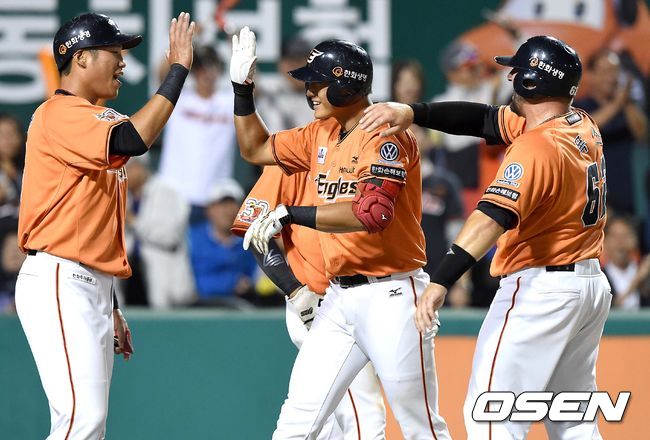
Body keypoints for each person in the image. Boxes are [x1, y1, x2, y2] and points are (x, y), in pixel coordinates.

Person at [360, 35, 612, 439]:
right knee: (573, 422)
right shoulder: (581, 123)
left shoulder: (537, 146)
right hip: (587, 286)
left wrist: (441, 280)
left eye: (517, 71)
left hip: (541, 291)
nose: (510, 77)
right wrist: (413, 112)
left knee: (490, 417)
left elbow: (491, 218)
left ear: (531, 81)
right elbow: (484, 120)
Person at [230, 27, 450, 438]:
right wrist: (242, 92)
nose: (310, 91)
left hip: (392, 294)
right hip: (338, 298)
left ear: (346, 84)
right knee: (297, 419)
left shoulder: (384, 132)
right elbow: (254, 148)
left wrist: (291, 214)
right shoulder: (321, 132)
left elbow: (372, 213)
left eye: (317, 83)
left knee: (420, 426)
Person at [15, 12, 194, 439]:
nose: (122, 62)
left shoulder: (97, 118)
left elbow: (92, 225)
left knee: (89, 425)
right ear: (81, 58)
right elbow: (135, 139)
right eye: (114, 52)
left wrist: (109, 302)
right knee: (82, 419)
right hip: (59, 276)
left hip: (88, 282)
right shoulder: (59, 112)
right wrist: (177, 71)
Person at [232, 166, 386, 439]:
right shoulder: (288, 161)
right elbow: (255, 232)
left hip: (366, 295)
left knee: (325, 416)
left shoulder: (360, 152)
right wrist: (296, 292)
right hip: (315, 302)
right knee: (361, 410)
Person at [158, 45, 237, 223]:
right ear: (193, 72)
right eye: (200, 67)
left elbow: (253, 89)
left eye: (211, 66)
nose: (206, 73)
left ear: (219, 69)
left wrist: (235, 42)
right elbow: (162, 76)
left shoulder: (228, 102)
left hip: (215, 199)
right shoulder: (179, 98)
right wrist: (187, 40)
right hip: (174, 195)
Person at [573, 49, 647, 216]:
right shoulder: (580, 107)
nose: (612, 78)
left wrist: (626, 102)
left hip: (628, 197)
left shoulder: (626, 107)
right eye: (606, 71)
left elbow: (642, 134)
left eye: (615, 71)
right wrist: (617, 104)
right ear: (591, 76)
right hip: (593, 201)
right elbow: (583, 130)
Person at [125, 157, 195, 309]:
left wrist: (133, 221)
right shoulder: (124, 194)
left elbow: (170, 236)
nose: (122, 175)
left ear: (138, 168)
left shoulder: (167, 192)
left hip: (165, 282)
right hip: (131, 279)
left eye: (126, 169)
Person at [189, 179, 258, 307]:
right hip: (198, 307)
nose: (227, 211)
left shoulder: (250, 240)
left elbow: (253, 277)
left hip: (241, 307)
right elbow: (193, 284)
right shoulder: (191, 238)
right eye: (221, 205)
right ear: (209, 209)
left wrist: (248, 284)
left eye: (232, 204)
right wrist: (231, 283)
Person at [603, 216, 644, 310]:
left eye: (625, 236)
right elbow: (612, 310)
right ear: (605, 242)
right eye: (615, 237)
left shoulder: (644, 274)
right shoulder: (599, 277)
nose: (620, 242)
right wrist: (636, 282)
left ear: (634, 240)